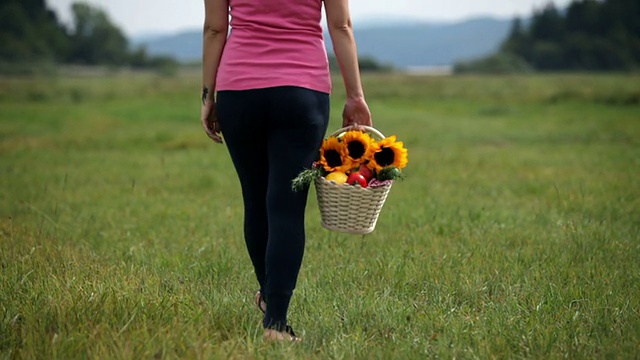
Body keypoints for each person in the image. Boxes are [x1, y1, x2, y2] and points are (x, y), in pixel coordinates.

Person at [201, 0, 372, 342]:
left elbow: (215, 29)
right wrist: (355, 95)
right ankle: (276, 323)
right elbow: (341, 26)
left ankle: (269, 296)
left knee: (256, 200)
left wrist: (208, 95)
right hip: (302, 91)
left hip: (240, 90)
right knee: (286, 208)